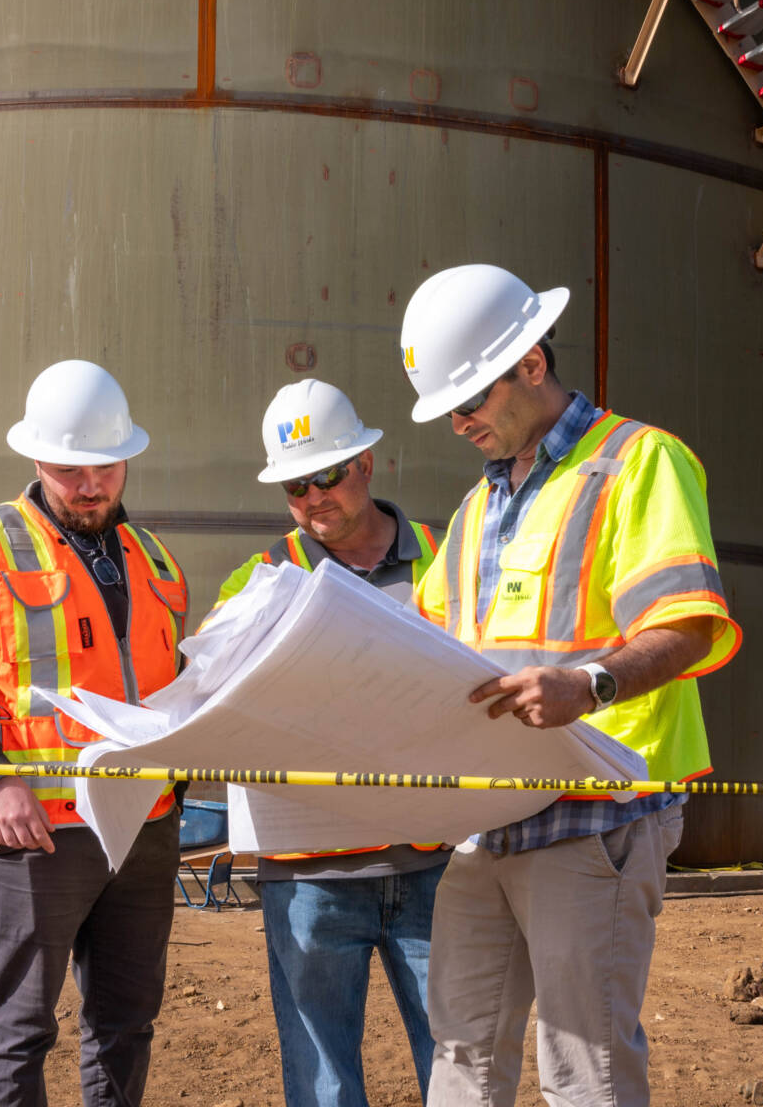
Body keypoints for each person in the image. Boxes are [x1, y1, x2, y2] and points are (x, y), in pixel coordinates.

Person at [400, 265, 743, 1107]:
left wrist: (589, 685)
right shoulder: (479, 508)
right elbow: (429, 647)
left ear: (530, 363)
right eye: (449, 407)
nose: (460, 421)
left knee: (583, 1069)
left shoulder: (638, 462)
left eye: (471, 397)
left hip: (596, 815)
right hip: (488, 822)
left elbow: (688, 623)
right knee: (462, 1058)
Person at [0, 359, 190, 1107]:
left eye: (105, 466)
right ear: (37, 458)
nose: (90, 484)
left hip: (141, 828)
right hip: (32, 830)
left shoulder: (154, 557)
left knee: (127, 1023)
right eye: (70, 468)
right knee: (20, 1026)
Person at [214, 379, 448, 1107]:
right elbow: (216, 712)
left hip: (434, 869)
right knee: (322, 1085)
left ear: (368, 462)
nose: (312, 496)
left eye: (326, 475)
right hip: (309, 880)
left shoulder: (446, 558)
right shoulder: (256, 583)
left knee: (462, 1066)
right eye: (293, 485)